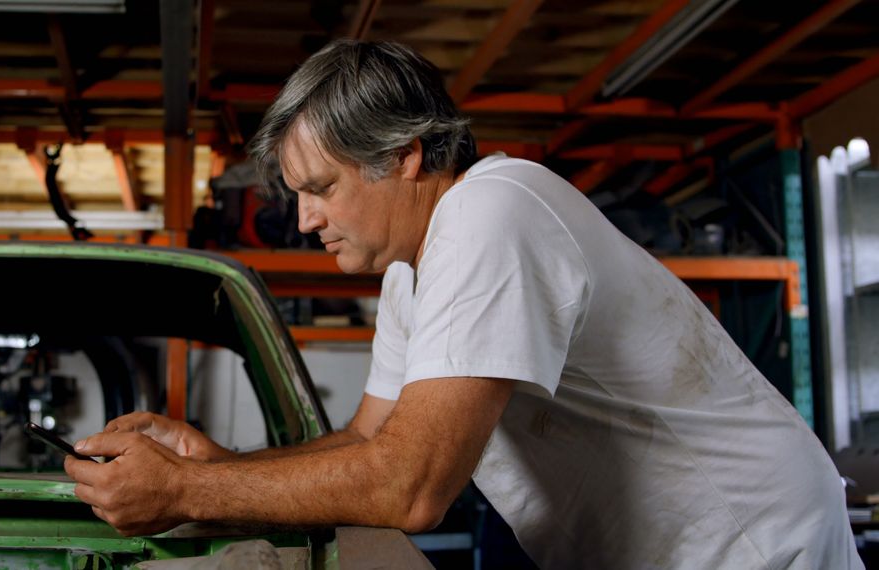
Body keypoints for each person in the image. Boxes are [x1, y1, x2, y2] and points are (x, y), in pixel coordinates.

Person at [65, 40, 862, 568]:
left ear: (405, 156)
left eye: (320, 190)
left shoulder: (492, 212)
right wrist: (216, 464)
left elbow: (408, 487)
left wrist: (183, 493)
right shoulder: (413, 272)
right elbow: (365, 441)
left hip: (752, 548)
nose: (305, 219)